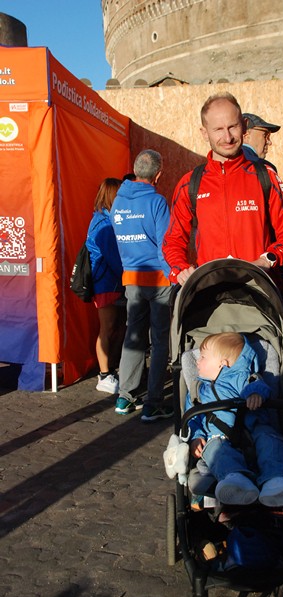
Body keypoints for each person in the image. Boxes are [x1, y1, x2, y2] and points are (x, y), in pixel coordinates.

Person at [162, 92, 283, 287]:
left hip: (260, 293)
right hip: (210, 294)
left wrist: (268, 260)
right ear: (205, 133)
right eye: (218, 129)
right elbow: (173, 240)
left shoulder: (265, 176)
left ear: (243, 125)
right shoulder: (190, 183)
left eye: (232, 127)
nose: (227, 137)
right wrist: (180, 268)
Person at [186, 332, 283, 506]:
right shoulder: (198, 390)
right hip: (219, 436)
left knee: (271, 441)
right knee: (216, 451)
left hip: (255, 430)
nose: (197, 361)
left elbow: (257, 384)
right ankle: (235, 479)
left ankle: (278, 480)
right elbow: (192, 417)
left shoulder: (242, 378)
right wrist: (196, 437)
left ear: (222, 363)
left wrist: (256, 394)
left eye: (203, 357)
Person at [110, 149, 174, 422]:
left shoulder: (117, 203)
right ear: (158, 175)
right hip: (159, 280)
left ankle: (125, 396)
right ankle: (154, 402)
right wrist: (176, 275)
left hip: (131, 279)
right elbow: (165, 246)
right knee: (160, 342)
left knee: (133, 337)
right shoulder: (157, 203)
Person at [85, 178, 126, 393]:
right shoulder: (104, 224)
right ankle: (104, 375)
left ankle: (109, 370)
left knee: (113, 328)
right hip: (106, 284)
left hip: (109, 283)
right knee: (107, 329)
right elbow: (114, 259)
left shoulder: (104, 220)